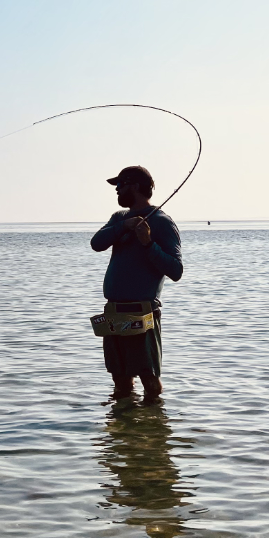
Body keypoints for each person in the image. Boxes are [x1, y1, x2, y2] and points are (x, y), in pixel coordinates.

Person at [90, 165, 183, 401]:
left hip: (143, 312)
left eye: (120, 186)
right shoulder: (118, 218)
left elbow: (176, 270)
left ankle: (153, 429)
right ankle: (125, 433)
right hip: (114, 311)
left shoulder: (162, 222)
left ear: (135, 186)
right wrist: (124, 226)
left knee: (149, 380)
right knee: (120, 380)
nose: (117, 191)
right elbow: (96, 243)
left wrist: (147, 243)